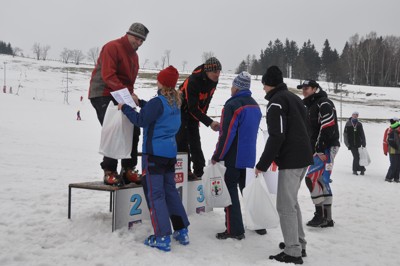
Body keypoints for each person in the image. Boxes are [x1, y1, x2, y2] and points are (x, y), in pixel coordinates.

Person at [118, 66, 190, 252]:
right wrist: (140, 102)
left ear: (161, 82)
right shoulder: (175, 101)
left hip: (154, 156)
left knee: (156, 195)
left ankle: (162, 236)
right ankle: (182, 231)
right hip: (169, 154)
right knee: (170, 192)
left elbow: (141, 120)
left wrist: (125, 107)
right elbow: (155, 111)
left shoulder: (158, 102)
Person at [255, 66, 313, 265]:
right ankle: (298, 243)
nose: (263, 88)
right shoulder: (294, 99)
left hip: (292, 159)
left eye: (264, 84)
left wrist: (262, 164)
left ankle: (292, 251)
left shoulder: (276, 103)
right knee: (292, 203)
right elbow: (306, 127)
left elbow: (277, 135)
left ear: (268, 83)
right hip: (304, 157)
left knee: (285, 205)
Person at [88, 22, 149, 185]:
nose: (139, 43)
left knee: (134, 127)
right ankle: (109, 170)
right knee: (114, 128)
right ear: (128, 34)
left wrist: (132, 95)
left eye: (142, 41)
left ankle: (128, 169)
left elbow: (129, 82)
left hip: (120, 94)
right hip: (102, 93)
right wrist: (127, 94)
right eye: (136, 38)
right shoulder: (112, 47)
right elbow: (108, 76)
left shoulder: (135, 57)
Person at [211, 72, 262, 240]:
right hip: (249, 156)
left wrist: (217, 155)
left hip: (233, 156)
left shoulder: (233, 104)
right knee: (248, 190)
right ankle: (259, 224)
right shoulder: (255, 105)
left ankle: (235, 229)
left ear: (237, 86)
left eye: (233, 85)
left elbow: (227, 135)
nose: (231, 88)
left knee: (230, 190)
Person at [297, 79, 340, 228]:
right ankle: (327, 218)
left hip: (325, 147)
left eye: (307, 88)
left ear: (315, 88)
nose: (304, 90)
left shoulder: (323, 103)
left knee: (311, 178)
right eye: (302, 88)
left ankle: (319, 215)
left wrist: (320, 148)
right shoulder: (310, 105)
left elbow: (327, 125)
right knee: (322, 180)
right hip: (319, 147)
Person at [176, 57, 222, 180]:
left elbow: (207, 100)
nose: (217, 74)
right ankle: (185, 171)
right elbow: (191, 108)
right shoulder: (193, 81)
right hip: (183, 111)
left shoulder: (213, 81)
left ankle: (199, 171)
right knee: (183, 141)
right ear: (207, 71)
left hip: (195, 112)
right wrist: (209, 122)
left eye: (219, 72)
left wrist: (202, 117)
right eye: (215, 72)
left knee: (195, 142)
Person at [383, 118, 400, 182]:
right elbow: (385, 141)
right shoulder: (388, 130)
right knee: (393, 164)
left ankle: (396, 178)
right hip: (392, 150)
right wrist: (385, 150)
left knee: (398, 165)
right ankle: (388, 177)